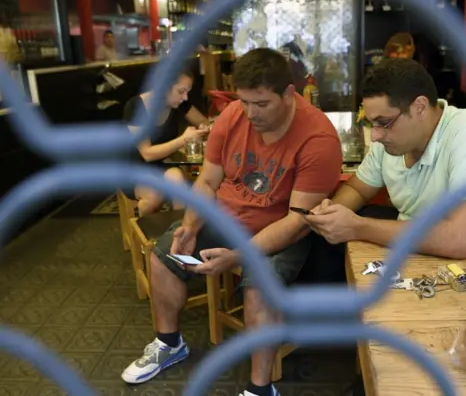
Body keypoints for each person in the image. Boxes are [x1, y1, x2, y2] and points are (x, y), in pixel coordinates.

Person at [120, 48, 343, 396]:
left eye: (261, 104)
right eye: (244, 102)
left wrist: (239, 256)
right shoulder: (233, 115)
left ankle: (260, 388)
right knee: (164, 255)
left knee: (259, 289)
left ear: (288, 94)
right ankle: (169, 343)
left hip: (280, 229)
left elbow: (299, 221)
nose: (250, 113)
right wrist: (191, 226)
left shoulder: (318, 138)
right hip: (225, 217)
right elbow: (207, 182)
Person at [305, 58, 466, 259]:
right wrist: (331, 213)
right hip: (421, 250)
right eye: (371, 123)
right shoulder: (389, 141)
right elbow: (358, 190)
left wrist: (357, 227)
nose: (375, 136)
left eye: (383, 123)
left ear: (420, 107)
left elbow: (459, 240)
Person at [123, 69, 209, 216]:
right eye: (181, 91)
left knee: (177, 181)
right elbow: (147, 153)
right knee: (154, 195)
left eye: (187, 92)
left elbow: (204, 122)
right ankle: (144, 234)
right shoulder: (136, 107)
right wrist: (184, 139)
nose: (185, 97)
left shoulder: (178, 102)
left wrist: (206, 128)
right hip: (134, 169)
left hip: (163, 165)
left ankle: (177, 230)